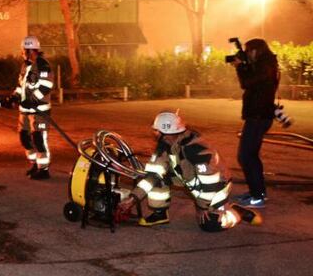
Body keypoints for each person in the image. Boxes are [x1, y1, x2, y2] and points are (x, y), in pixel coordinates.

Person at [117, 111, 261, 232]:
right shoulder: (166, 145)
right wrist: (132, 199)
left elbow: (210, 182)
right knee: (157, 177)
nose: (154, 133)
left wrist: (201, 206)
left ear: (166, 133)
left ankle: (236, 212)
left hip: (217, 186)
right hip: (193, 182)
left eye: (156, 131)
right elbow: (152, 176)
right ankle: (159, 213)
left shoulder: (196, 149)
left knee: (210, 224)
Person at [229, 39, 279, 208]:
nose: (248, 54)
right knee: (251, 156)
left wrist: (241, 67)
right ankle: (257, 192)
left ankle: (257, 197)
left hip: (258, 117)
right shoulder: (266, 64)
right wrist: (245, 66)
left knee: (245, 156)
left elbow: (247, 83)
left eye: (249, 51)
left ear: (257, 51)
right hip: (258, 116)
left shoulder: (265, 66)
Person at [12, 36, 55, 180]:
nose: (22, 53)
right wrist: (15, 97)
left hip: (39, 110)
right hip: (25, 110)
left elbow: (45, 86)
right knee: (24, 137)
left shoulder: (43, 65)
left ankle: (44, 169)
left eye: (24, 50)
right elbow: (21, 86)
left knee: (38, 138)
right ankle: (35, 164)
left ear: (31, 50)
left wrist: (32, 100)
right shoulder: (25, 65)